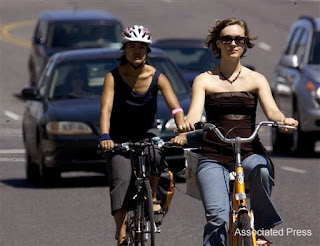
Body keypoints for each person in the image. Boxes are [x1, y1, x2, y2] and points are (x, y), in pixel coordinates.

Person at [180, 18, 299, 246]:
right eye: (226, 39)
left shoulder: (256, 79)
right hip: (213, 156)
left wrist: (284, 120)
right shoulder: (204, 80)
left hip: (248, 152)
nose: (233, 43)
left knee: (262, 170)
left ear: (245, 43)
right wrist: (188, 124)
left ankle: (260, 229)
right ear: (217, 43)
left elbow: (272, 111)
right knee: (217, 216)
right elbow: (194, 113)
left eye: (238, 39)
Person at [99, 25, 187, 246]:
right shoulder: (113, 76)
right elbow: (106, 109)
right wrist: (105, 136)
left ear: (148, 51)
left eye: (141, 47)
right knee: (121, 180)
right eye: (131, 47)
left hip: (147, 132)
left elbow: (176, 108)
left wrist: (181, 130)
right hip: (118, 137)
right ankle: (120, 233)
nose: (136, 52)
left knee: (157, 153)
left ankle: (154, 198)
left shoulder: (158, 77)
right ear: (124, 50)